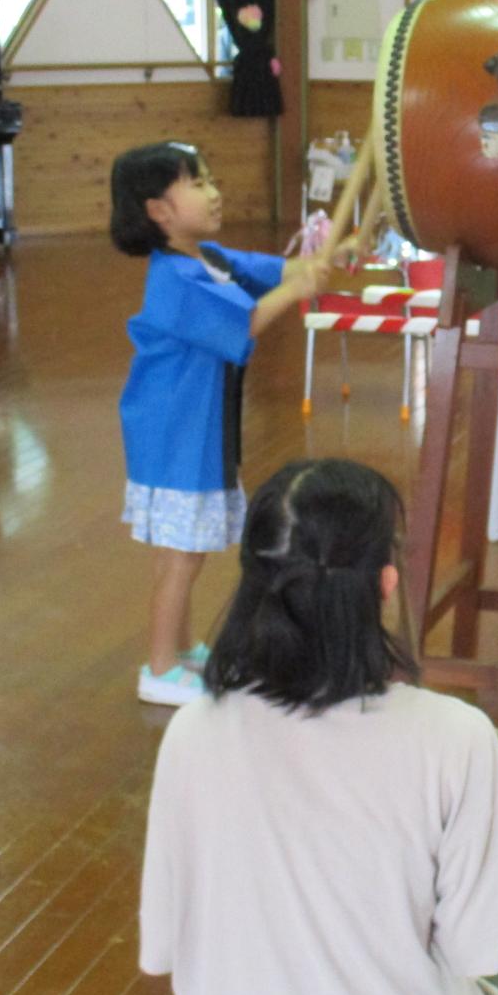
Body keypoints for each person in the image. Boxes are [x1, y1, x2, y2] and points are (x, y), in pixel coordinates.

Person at [140, 458, 498, 995]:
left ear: (254, 581)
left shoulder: (192, 733)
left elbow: (162, 945)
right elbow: (472, 951)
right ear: (386, 585)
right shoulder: (457, 739)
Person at [111, 140, 328, 707]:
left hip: (194, 431)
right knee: (180, 556)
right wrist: (297, 287)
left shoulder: (207, 258)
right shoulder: (176, 280)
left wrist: (317, 261)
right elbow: (249, 320)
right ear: (159, 210)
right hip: (176, 435)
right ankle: (159, 668)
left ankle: (180, 654)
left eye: (211, 180)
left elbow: (271, 270)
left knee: (184, 551)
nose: (214, 192)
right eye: (198, 183)